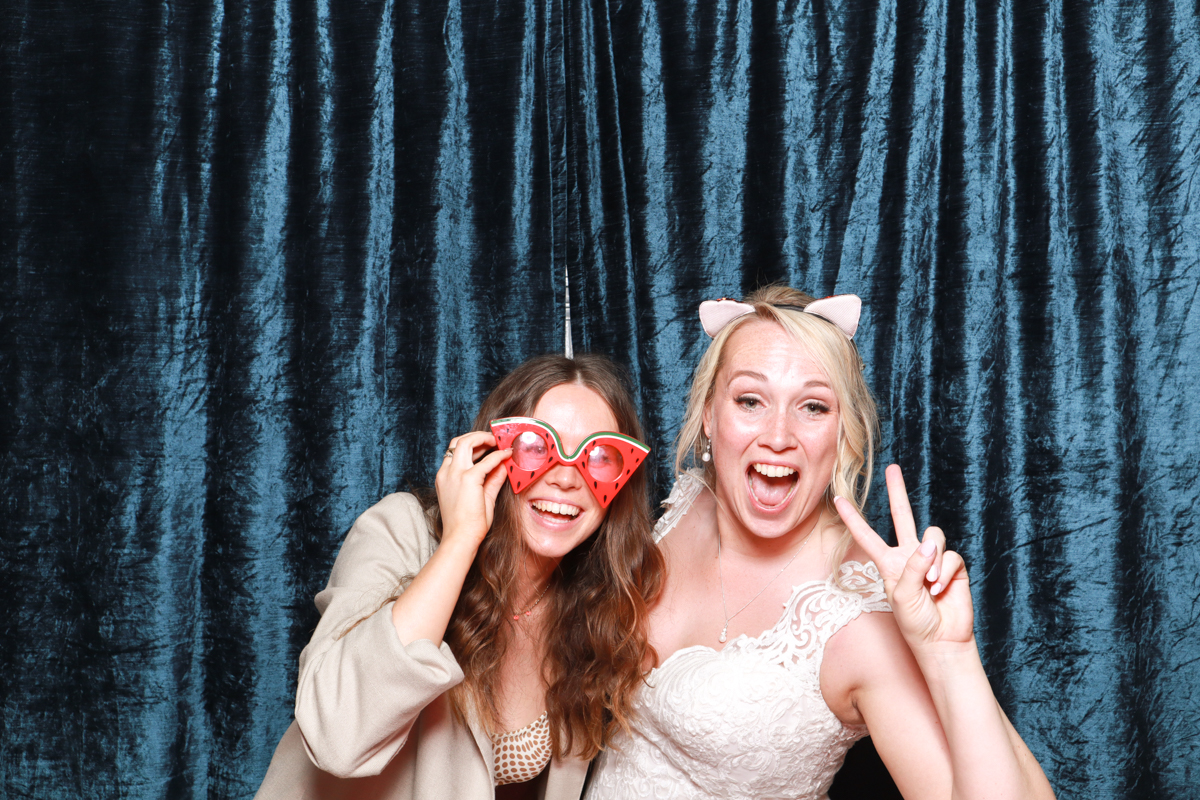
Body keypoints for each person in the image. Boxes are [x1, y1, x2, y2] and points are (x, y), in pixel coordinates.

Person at [585, 287, 1054, 800]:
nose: (778, 435)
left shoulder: (858, 619)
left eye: (812, 406)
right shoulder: (687, 503)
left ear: (843, 437)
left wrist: (950, 655)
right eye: (749, 401)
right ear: (708, 418)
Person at [256, 354, 665, 800]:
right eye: (535, 447)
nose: (566, 477)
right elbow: (338, 738)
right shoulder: (401, 531)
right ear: (491, 452)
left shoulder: (596, 603)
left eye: (600, 457)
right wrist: (461, 540)